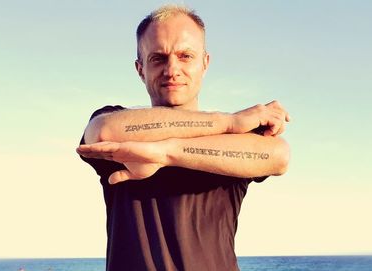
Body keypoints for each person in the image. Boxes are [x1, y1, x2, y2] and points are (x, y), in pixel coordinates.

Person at [77, 4, 290, 271]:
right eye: (158, 58)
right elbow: (102, 132)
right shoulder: (115, 119)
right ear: (140, 68)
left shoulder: (235, 138)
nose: (172, 69)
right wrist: (228, 121)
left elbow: (278, 156)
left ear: (205, 63)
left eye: (185, 56)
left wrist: (166, 153)